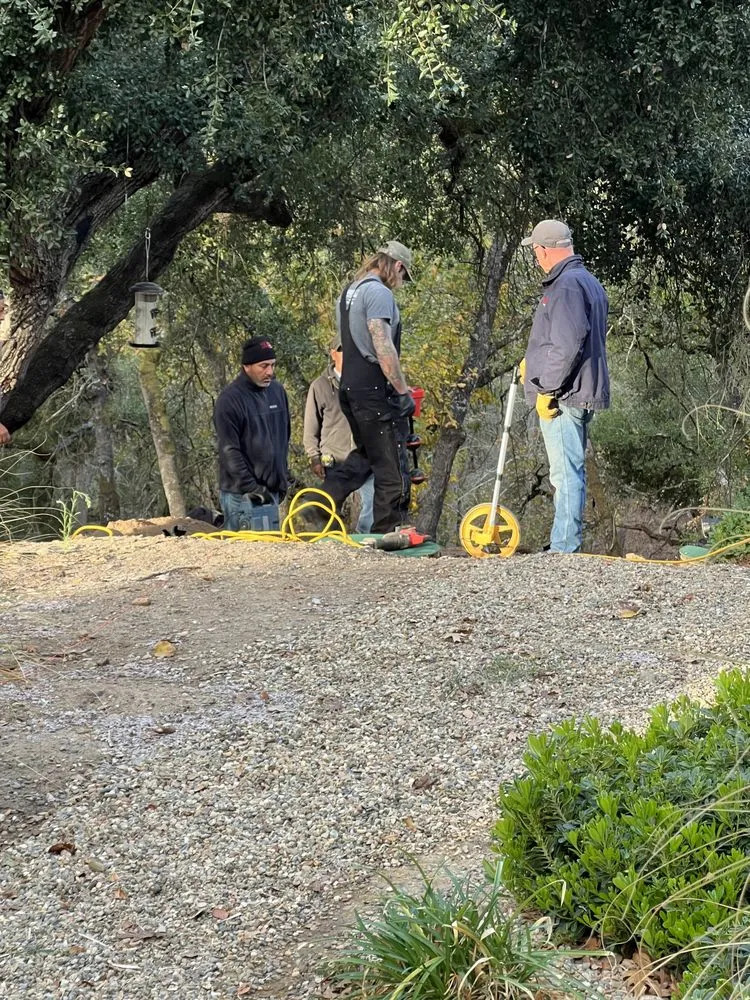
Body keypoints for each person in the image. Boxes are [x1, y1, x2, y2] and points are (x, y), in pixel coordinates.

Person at [520, 219, 609, 553]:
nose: (536, 258)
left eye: (536, 251)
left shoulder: (566, 286)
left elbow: (568, 343)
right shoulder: (587, 281)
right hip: (580, 390)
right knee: (569, 469)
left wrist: (546, 388)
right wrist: (531, 363)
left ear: (544, 250)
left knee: (564, 472)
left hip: (565, 395)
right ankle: (563, 541)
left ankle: (564, 547)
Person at [323, 241, 415, 534]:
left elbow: (342, 342)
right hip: (374, 391)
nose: (400, 283)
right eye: (403, 277)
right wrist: (402, 390)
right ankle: (390, 532)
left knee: (365, 458)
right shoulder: (378, 293)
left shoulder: (349, 292)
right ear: (397, 266)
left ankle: (317, 504)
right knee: (392, 466)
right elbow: (382, 343)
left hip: (350, 386)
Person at [213, 335, 291, 531]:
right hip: (240, 496)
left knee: (269, 554)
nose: (270, 372)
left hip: (272, 492)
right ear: (246, 366)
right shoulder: (230, 400)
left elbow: (284, 437)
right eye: (263, 366)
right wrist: (255, 489)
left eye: (272, 365)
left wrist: (281, 481)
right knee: (240, 556)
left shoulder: (278, 391)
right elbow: (229, 451)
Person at [303, 336, 375, 532]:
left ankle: (366, 542)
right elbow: (310, 427)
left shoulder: (368, 382)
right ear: (332, 353)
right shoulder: (320, 386)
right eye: (342, 349)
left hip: (365, 458)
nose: (347, 354)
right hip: (336, 460)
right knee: (328, 507)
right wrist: (314, 457)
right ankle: (332, 545)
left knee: (373, 503)